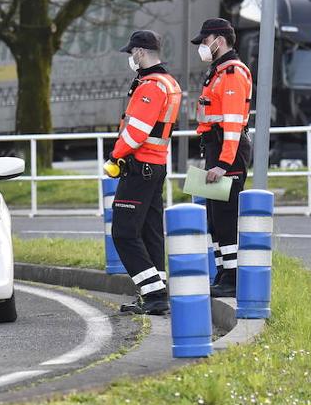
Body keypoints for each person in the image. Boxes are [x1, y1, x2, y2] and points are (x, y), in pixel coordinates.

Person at [103, 30, 182, 316]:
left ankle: (154, 293)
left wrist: (114, 156)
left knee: (123, 232)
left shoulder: (150, 85)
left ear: (139, 52)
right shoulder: (169, 83)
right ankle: (156, 291)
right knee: (150, 233)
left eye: (130, 53)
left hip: (140, 167)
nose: (130, 58)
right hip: (156, 166)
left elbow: (136, 132)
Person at [193, 17, 254, 297]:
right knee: (215, 219)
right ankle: (222, 274)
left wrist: (222, 164)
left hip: (226, 153)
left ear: (219, 39)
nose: (202, 46)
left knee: (226, 217)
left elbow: (231, 125)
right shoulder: (218, 71)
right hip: (217, 150)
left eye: (205, 41)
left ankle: (232, 278)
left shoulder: (231, 74)